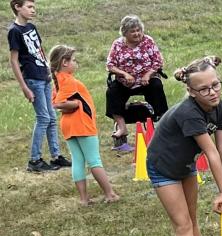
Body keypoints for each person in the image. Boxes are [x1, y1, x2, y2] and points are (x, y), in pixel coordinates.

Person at [147, 56, 222, 236]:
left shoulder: (220, 108)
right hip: (162, 166)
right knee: (182, 223)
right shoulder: (189, 112)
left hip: (185, 166)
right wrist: (221, 192)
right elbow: (211, 152)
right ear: (191, 91)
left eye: (216, 85)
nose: (212, 92)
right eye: (204, 89)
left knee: (192, 219)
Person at [50, 45, 119, 205]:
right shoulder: (69, 81)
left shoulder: (58, 80)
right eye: (73, 60)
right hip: (81, 124)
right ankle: (110, 194)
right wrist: (74, 104)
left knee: (78, 160)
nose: (76, 63)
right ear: (64, 62)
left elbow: (57, 102)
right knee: (94, 160)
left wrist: (72, 103)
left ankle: (83, 199)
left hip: (68, 125)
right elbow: (59, 103)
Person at [7, 0, 70, 173]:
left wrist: (49, 70)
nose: (33, 10)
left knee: (51, 117)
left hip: (44, 76)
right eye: (29, 7)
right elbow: (13, 60)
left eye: (33, 7)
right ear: (17, 8)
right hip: (32, 79)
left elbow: (40, 50)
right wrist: (24, 87)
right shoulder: (14, 31)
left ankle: (56, 156)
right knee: (43, 118)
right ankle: (34, 160)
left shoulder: (32, 28)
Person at [105, 15, 168, 152]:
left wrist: (148, 74)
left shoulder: (148, 41)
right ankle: (122, 128)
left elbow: (158, 62)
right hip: (125, 81)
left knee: (156, 87)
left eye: (139, 30)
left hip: (147, 79)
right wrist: (124, 74)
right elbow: (110, 65)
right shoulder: (117, 44)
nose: (137, 33)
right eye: (133, 31)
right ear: (125, 33)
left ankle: (163, 121)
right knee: (112, 92)